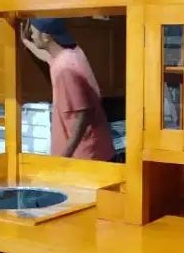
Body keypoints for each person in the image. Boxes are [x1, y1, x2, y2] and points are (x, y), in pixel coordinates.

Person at [20, 17, 115, 161]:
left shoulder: (65, 70)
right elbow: (47, 57)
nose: (32, 36)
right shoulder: (72, 53)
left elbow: (82, 115)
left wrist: (66, 154)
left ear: (46, 36)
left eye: (33, 32)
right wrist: (26, 42)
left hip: (83, 157)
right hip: (96, 149)